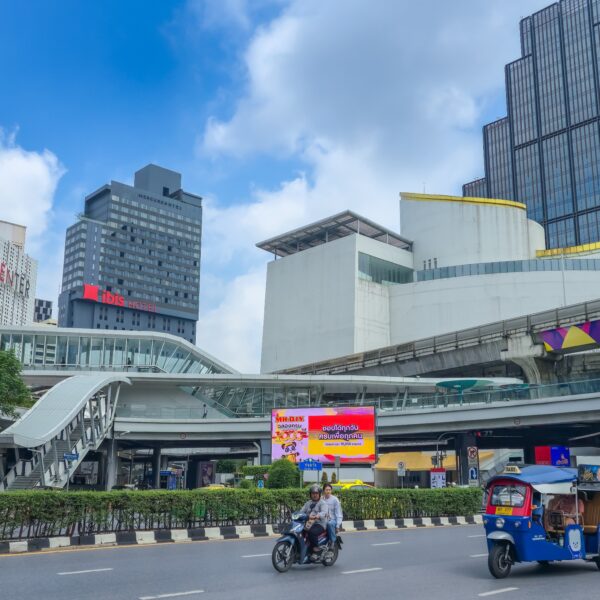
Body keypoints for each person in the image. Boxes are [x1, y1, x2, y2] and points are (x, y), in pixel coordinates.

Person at [300, 484, 328, 559]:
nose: (314, 495)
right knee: (298, 532)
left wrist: (317, 516)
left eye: (316, 493)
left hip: (319, 524)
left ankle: (316, 550)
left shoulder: (323, 503)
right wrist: (298, 514)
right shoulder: (308, 503)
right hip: (308, 523)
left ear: (319, 494)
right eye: (313, 493)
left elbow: (324, 512)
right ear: (310, 494)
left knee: (311, 532)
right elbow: (301, 511)